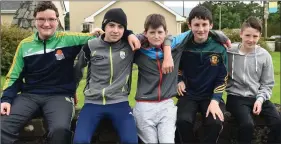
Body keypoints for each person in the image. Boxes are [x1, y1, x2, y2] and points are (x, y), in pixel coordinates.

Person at [0, 2, 139, 144]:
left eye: (51, 19)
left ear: (57, 21)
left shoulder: (69, 39)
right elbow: (14, 75)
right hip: (29, 96)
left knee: (60, 131)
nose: (46, 24)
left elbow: (105, 37)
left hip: (59, 96)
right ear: (35, 20)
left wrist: (128, 33)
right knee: (3, 126)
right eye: (41, 19)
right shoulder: (25, 45)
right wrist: (6, 99)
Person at [175, 6, 228, 143]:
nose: (201, 29)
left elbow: (222, 78)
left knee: (215, 123)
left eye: (204, 24)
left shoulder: (219, 48)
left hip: (210, 95)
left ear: (211, 25)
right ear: (189, 25)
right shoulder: (183, 46)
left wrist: (215, 100)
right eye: (196, 25)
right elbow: (178, 69)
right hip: (189, 95)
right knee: (182, 121)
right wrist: (179, 80)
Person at [226, 16, 281, 144]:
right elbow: (211, 37)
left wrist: (260, 99)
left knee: (277, 122)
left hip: (257, 96)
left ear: (260, 36)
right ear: (241, 34)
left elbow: (267, 83)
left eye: (255, 36)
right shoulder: (229, 52)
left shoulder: (264, 55)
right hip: (236, 97)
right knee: (247, 125)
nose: (251, 40)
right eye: (247, 35)